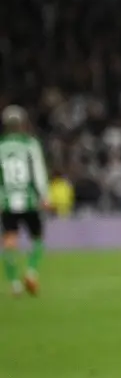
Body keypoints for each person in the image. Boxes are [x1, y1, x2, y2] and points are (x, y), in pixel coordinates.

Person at [0, 106, 49, 297]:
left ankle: (15, 285)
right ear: (22, 123)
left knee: (9, 242)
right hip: (29, 199)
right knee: (37, 239)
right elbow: (38, 171)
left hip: (7, 200)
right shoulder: (30, 144)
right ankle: (30, 272)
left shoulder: (1, 145)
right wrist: (44, 196)